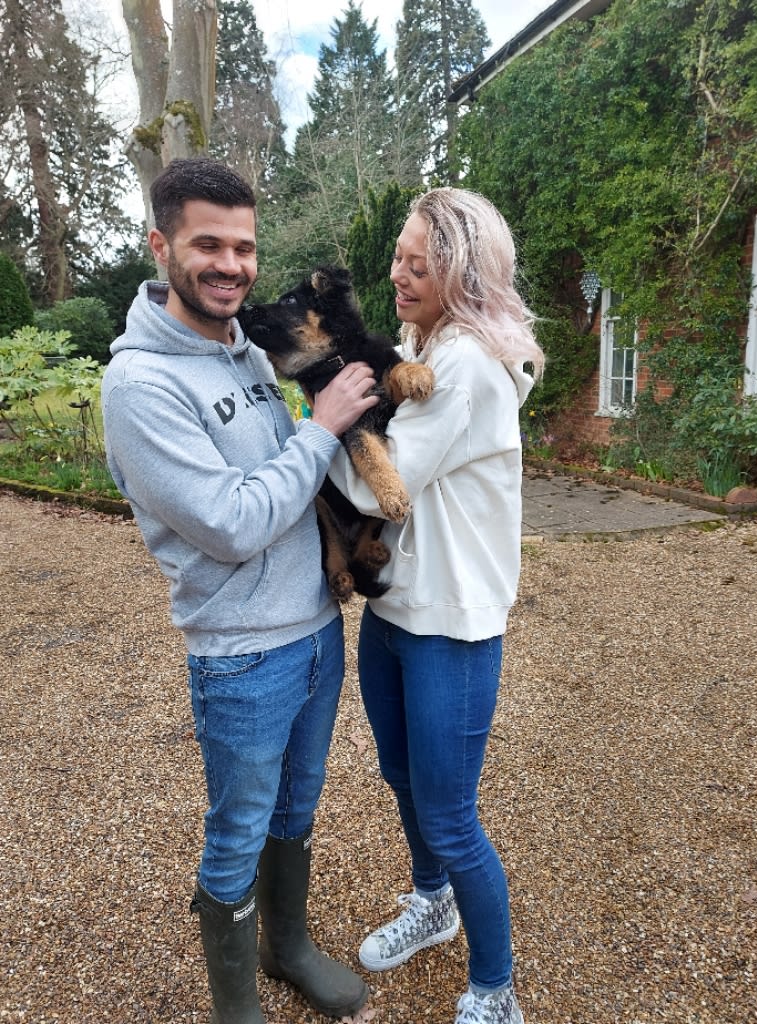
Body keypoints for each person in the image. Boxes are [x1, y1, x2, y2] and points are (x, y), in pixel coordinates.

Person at [100, 157, 376, 1024]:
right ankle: (236, 1007)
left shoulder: (248, 351)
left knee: (298, 804)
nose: (230, 265)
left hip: (317, 631)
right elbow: (231, 522)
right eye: (207, 244)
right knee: (238, 829)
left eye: (244, 247)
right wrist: (325, 428)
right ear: (162, 245)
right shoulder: (140, 385)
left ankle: (285, 945)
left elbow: (289, 470)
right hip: (242, 653)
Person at [327, 187, 545, 1024]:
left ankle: (496, 988)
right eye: (398, 257)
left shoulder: (462, 365)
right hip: (394, 615)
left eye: (419, 263)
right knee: (401, 779)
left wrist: (318, 430)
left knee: (451, 817)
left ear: (461, 269)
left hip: (451, 625)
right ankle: (434, 904)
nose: (397, 273)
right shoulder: (427, 344)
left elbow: (374, 485)